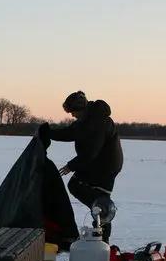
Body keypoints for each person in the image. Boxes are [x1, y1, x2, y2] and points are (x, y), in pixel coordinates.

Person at [38, 91, 123, 242]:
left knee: (88, 192)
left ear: (81, 109)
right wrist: (49, 133)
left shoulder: (98, 122)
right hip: (95, 165)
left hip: (105, 167)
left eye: (73, 112)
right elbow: (70, 133)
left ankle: (102, 224)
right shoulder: (87, 120)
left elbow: (91, 152)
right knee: (79, 187)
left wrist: (71, 166)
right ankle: (101, 221)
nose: (72, 115)